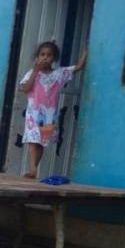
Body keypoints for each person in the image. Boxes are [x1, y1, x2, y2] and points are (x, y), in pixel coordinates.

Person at [18, 39, 87, 178]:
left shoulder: (59, 74)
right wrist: (35, 71)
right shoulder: (31, 73)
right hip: (34, 113)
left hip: (49, 115)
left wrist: (87, 49)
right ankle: (32, 170)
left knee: (42, 142)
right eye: (42, 54)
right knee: (33, 139)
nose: (45, 57)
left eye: (49, 55)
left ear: (54, 58)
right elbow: (25, 88)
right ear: (37, 57)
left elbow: (78, 67)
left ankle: (34, 168)